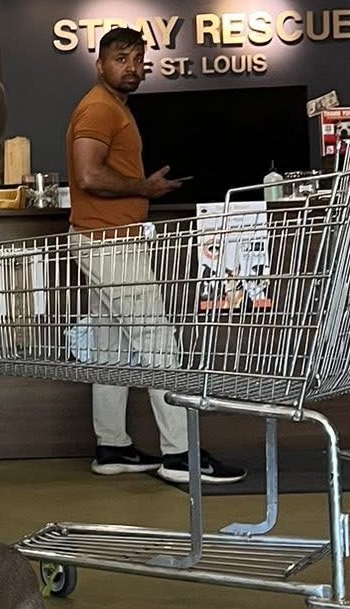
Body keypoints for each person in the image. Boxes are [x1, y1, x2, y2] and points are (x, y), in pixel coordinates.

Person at [66, 26, 245, 485]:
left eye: (138, 59)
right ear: (100, 64)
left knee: (113, 352)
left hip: (101, 239)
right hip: (112, 242)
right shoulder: (98, 109)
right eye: (121, 58)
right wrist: (142, 187)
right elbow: (88, 175)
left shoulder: (112, 108)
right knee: (158, 346)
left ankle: (113, 446)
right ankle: (180, 454)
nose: (131, 67)